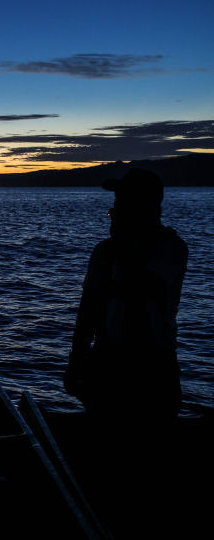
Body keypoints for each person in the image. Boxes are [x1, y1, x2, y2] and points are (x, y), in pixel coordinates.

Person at [63, 168, 189, 420]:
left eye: (124, 200)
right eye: (117, 201)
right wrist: (75, 362)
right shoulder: (103, 252)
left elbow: (141, 285)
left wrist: (120, 241)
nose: (116, 207)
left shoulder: (170, 248)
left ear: (147, 206)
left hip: (153, 365)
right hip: (106, 360)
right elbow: (89, 310)